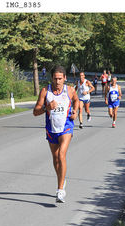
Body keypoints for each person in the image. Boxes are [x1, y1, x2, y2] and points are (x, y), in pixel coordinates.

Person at [33, 65, 79, 203]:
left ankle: (60, 190)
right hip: (51, 128)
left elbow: (76, 100)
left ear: (65, 78)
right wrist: (47, 107)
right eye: (55, 78)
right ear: (51, 78)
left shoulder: (69, 90)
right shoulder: (45, 91)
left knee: (61, 155)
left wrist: (75, 111)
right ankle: (61, 179)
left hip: (66, 127)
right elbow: (35, 112)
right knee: (55, 158)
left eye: (60, 78)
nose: (57, 81)